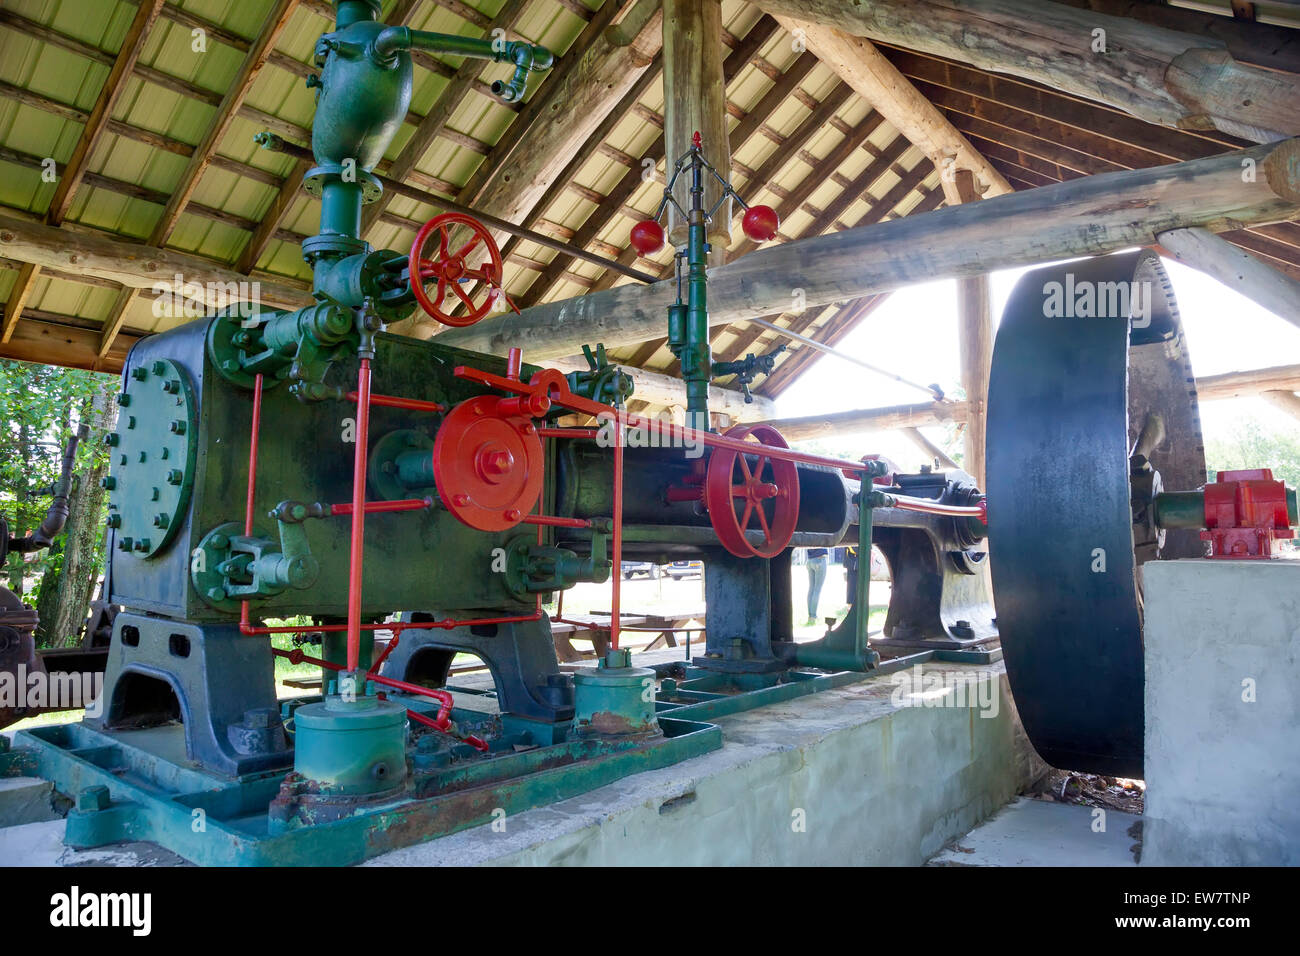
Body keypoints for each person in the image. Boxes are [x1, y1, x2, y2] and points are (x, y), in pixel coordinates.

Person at [805, 547, 828, 625]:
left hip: (810, 560)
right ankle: (813, 616)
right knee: (817, 590)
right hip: (820, 559)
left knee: (811, 589)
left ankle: (810, 616)